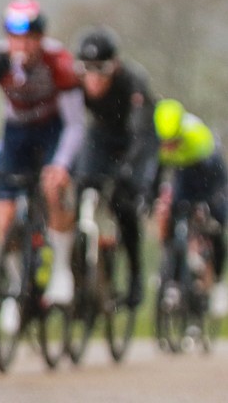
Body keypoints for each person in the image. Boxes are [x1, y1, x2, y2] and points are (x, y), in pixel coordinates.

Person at [0, 0, 83, 334]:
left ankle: (61, 268)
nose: (22, 46)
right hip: (16, 131)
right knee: (4, 216)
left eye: (30, 39)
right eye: (15, 38)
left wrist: (61, 165)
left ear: (41, 38)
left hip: (53, 128)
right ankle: (17, 287)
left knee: (53, 189)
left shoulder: (58, 61)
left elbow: (76, 124)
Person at [72, 26, 156, 308]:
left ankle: (135, 276)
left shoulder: (133, 82)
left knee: (123, 200)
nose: (93, 78)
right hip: (102, 134)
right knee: (81, 185)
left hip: (135, 137)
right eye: (87, 70)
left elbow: (141, 133)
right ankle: (81, 268)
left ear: (115, 66)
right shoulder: (76, 84)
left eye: (101, 70)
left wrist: (128, 170)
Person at [152, 98, 228, 318]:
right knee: (172, 216)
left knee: (216, 226)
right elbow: (156, 174)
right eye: (166, 142)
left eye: (174, 141)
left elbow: (217, 179)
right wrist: (150, 197)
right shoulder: (159, 139)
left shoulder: (197, 136)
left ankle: (218, 282)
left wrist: (209, 205)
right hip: (183, 175)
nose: (169, 146)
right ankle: (172, 275)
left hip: (209, 176)